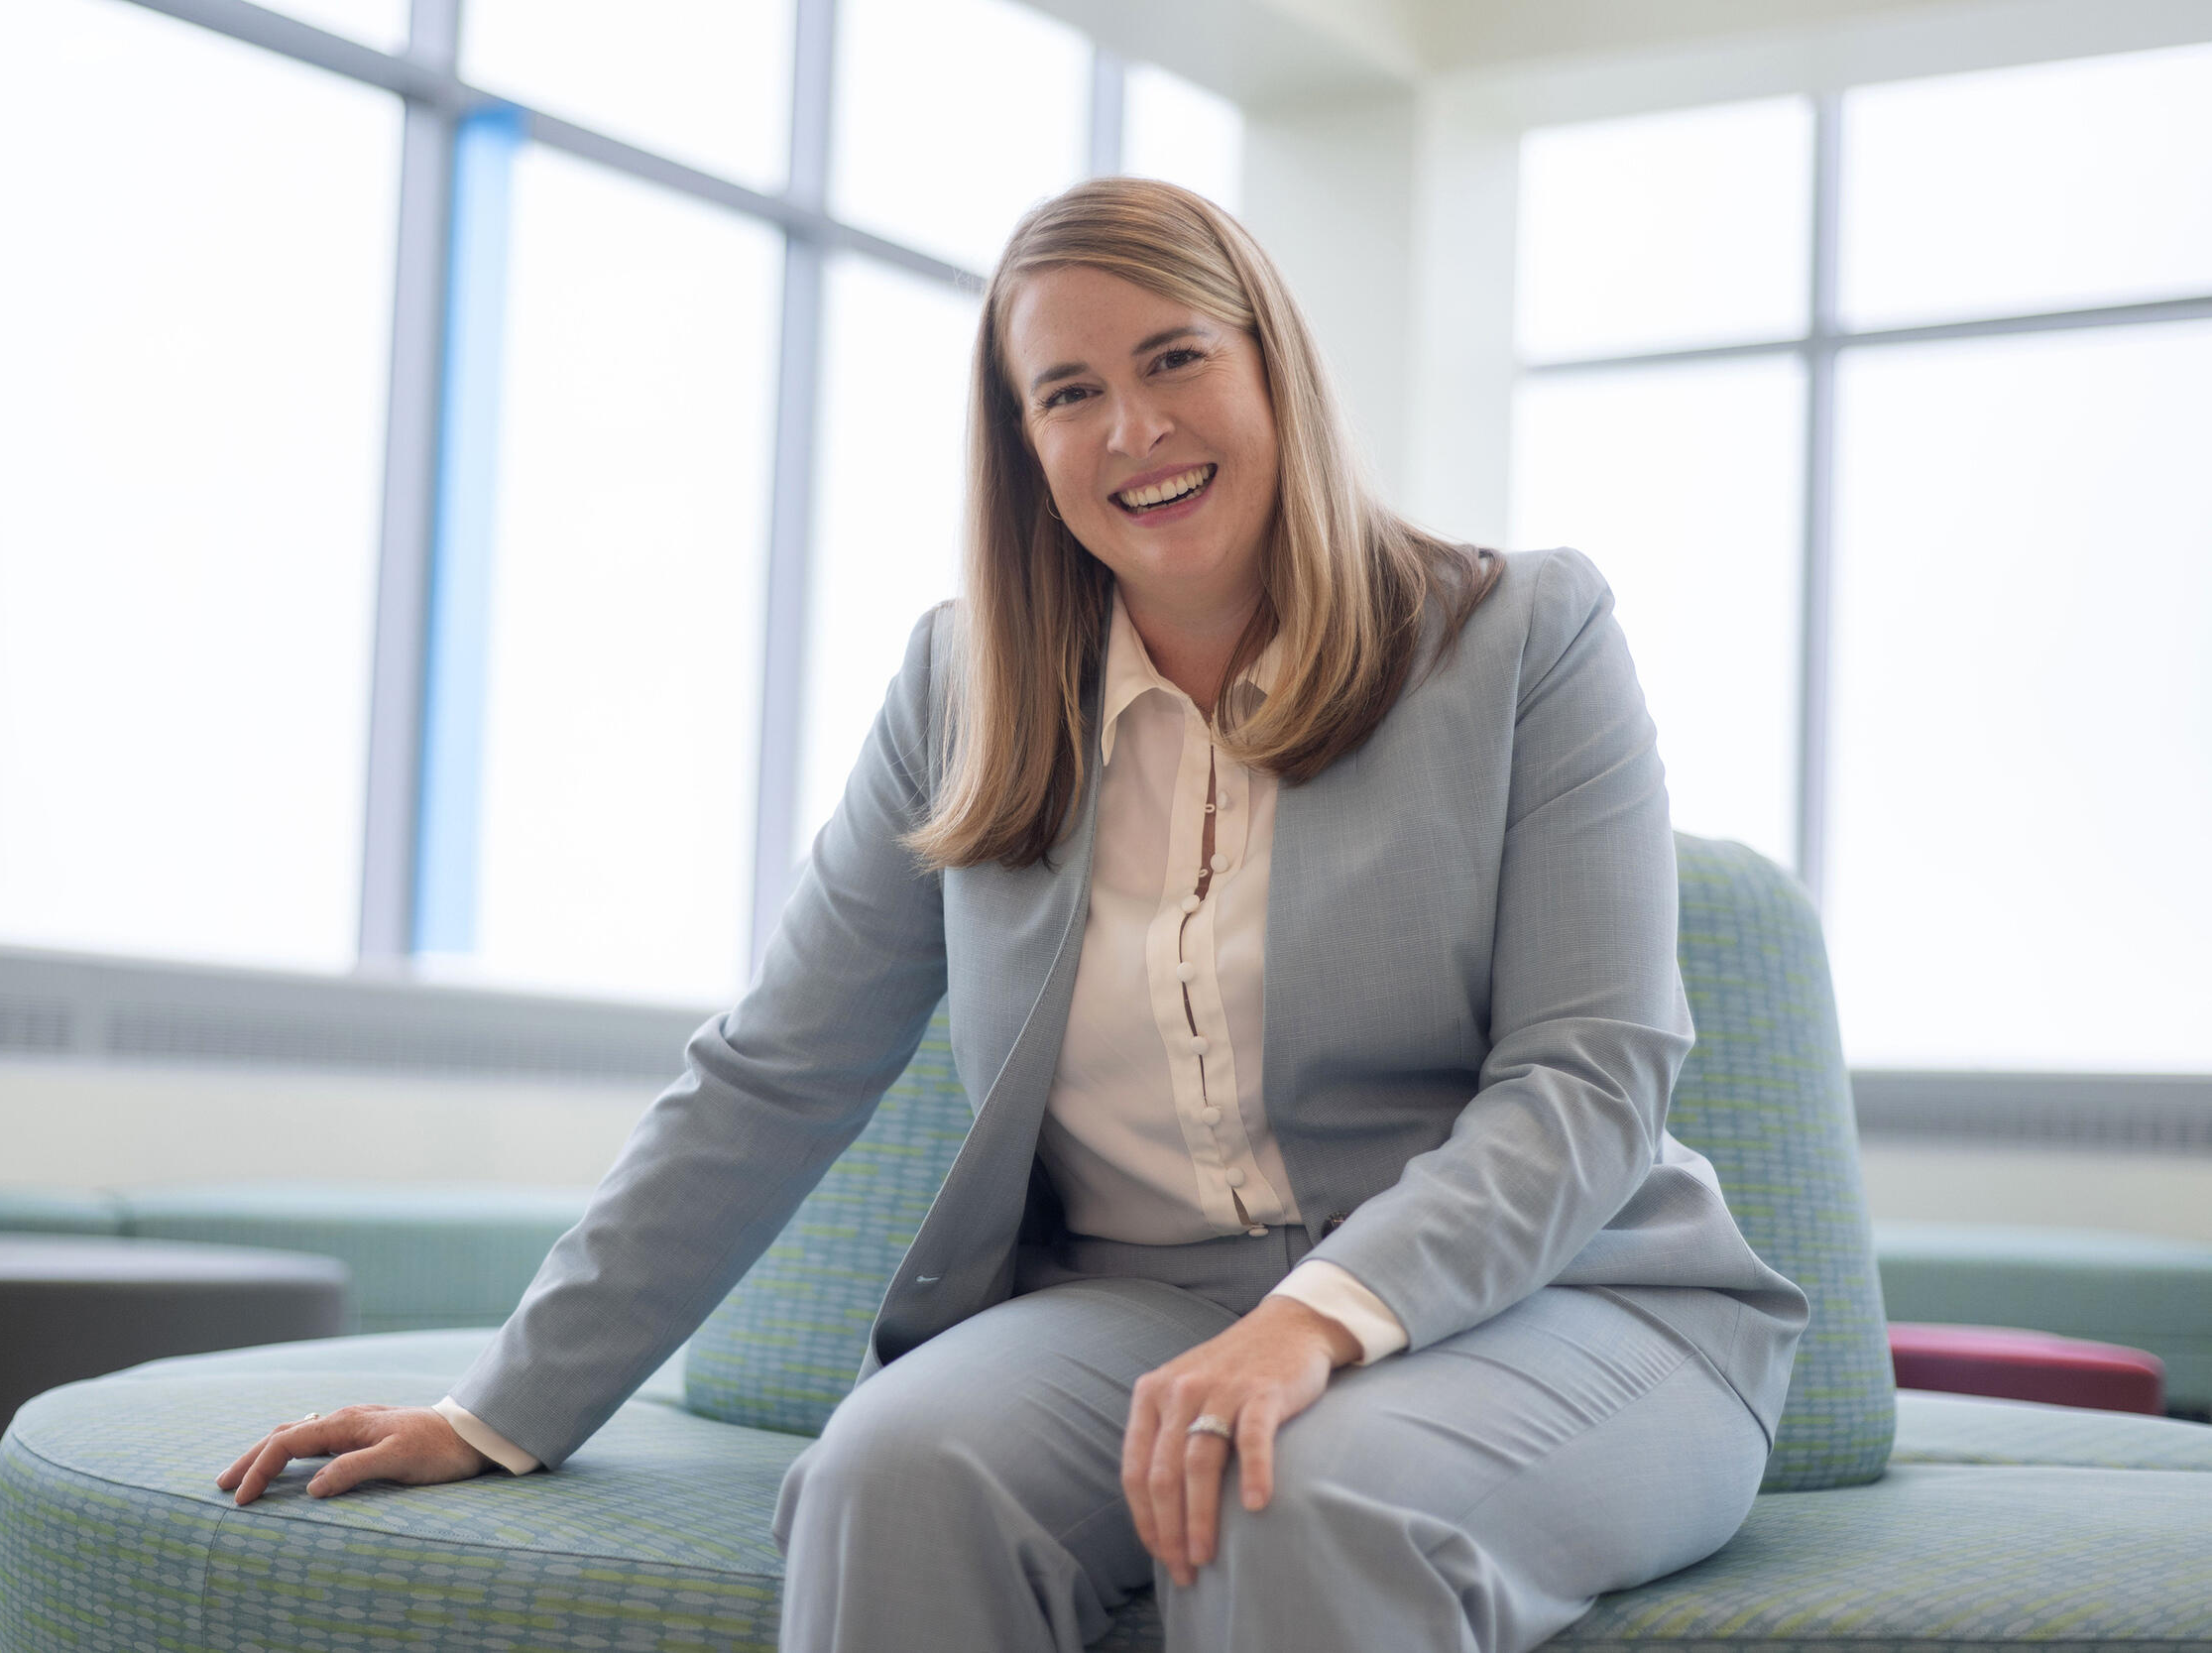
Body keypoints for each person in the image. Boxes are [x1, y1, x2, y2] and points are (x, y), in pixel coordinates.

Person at [217, 177, 1810, 1653]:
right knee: (886, 1473)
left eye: (1176, 359)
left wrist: (1319, 1320)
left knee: (1304, 1486)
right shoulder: (960, 688)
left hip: (1565, 1305)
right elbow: (775, 1072)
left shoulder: (1523, 634)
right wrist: (501, 1407)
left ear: (1274, 373)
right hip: (1139, 1304)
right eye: (1069, 393)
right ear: (1024, 446)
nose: (1135, 428)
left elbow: (1589, 1079)